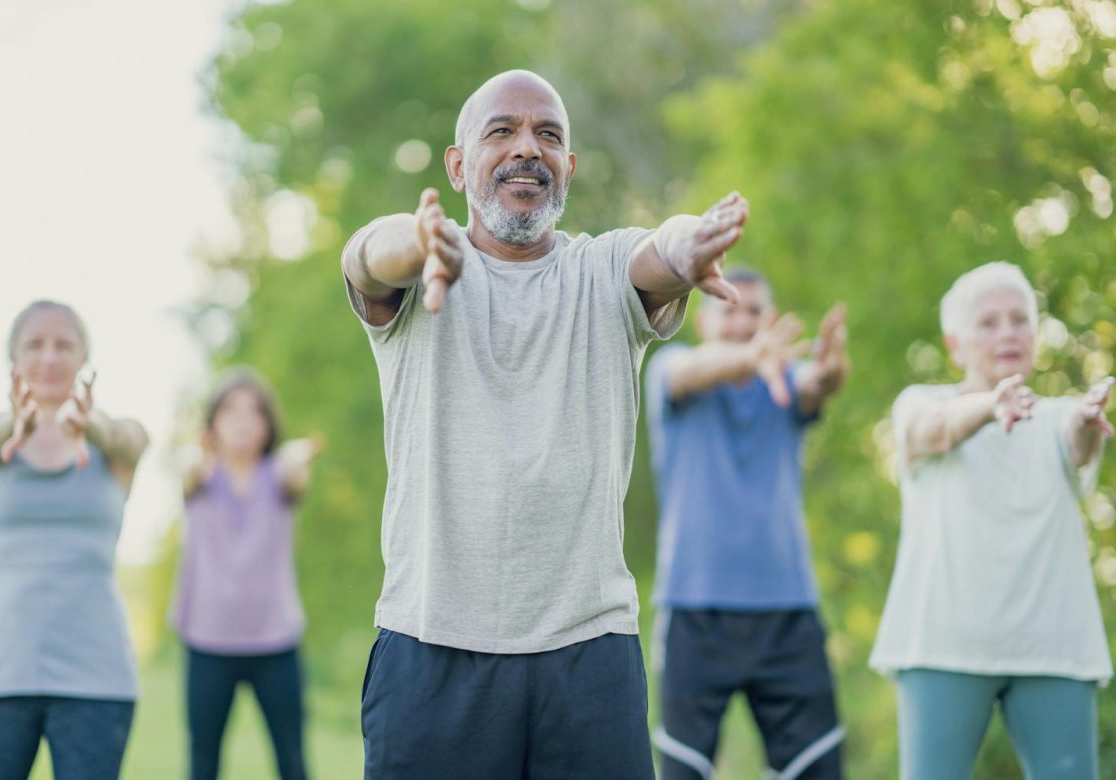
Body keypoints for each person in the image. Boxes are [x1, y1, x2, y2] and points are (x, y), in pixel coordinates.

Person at [341, 69, 750, 779]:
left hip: (588, 655)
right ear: (459, 164)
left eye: (549, 136)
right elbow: (368, 259)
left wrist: (689, 246)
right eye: (502, 131)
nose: (527, 148)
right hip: (431, 650)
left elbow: (660, 247)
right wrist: (417, 244)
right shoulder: (417, 272)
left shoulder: (600, 270)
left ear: (569, 167)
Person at [870, 262, 1113, 779]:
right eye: (988, 322)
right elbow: (933, 432)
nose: (1007, 332)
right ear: (955, 344)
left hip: (1054, 648)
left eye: (1019, 319)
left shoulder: (1056, 417)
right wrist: (989, 407)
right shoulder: (920, 403)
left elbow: (1078, 444)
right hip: (941, 646)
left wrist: (1088, 421)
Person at [646, 267, 849, 780]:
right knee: (682, 769)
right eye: (729, 309)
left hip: (787, 610)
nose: (742, 323)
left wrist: (831, 368)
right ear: (703, 319)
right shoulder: (673, 367)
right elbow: (693, 373)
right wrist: (752, 358)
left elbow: (817, 384)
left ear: (770, 320)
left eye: (755, 312)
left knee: (816, 767)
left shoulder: (783, 380)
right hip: (695, 610)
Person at [0, 300, 149, 780]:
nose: (49, 356)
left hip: (97, 679)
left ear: (84, 358)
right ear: (13, 360)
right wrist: (10, 428)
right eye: (34, 344)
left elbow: (131, 439)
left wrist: (90, 425)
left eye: (64, 344)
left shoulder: (114, 444)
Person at [173, 369, 321, 780]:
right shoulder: (198, 475)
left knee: (292, 761)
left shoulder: (279, 475)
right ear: (213, 423)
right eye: (230, 410)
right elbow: (187, 471)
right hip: (208, 639)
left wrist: (297, 457)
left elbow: (296, 473)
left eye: (254, 412)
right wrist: (202, 456)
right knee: (202, 762)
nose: (242, 420)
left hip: (274, 639)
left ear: (268, 424)